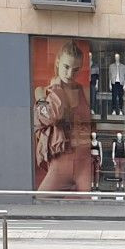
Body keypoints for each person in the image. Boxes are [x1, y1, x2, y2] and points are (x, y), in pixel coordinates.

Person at [33, 40, 94, 192]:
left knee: (89, 209)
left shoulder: (84, 92)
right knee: (40, 203)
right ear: (58, 61)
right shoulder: (42, 92)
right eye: (66, 67)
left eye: (76, 70)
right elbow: (53, 116)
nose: (69, 74)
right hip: (60, 162)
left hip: (84, 161)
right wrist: (56, 88)